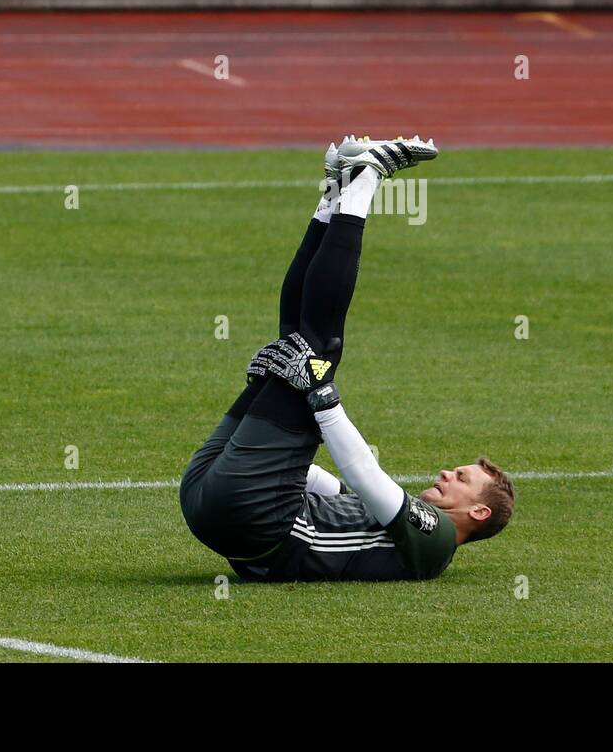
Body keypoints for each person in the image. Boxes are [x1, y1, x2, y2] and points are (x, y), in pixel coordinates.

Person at [180, 136, 515, 582]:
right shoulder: (402, 520)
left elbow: (363, 473)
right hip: (217, 504)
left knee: (321, 350)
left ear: (478, 510)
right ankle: (336, 192)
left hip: (249, 515)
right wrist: (273, 393)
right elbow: (331, 483)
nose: (446, 471)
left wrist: (322, 396)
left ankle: (367, 177)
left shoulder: (435, 544)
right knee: (300, 345)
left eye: (461, 476)